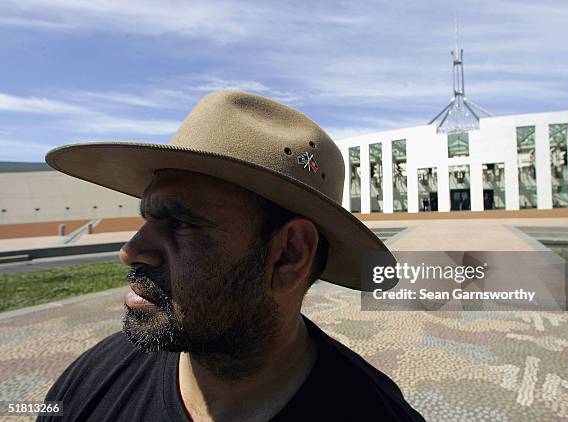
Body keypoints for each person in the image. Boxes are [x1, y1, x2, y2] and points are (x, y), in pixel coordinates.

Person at [39, 91, 424, 421]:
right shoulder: (91, 383)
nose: (131, 252)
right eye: (149, 219)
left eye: (181, 224)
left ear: (288, 256)